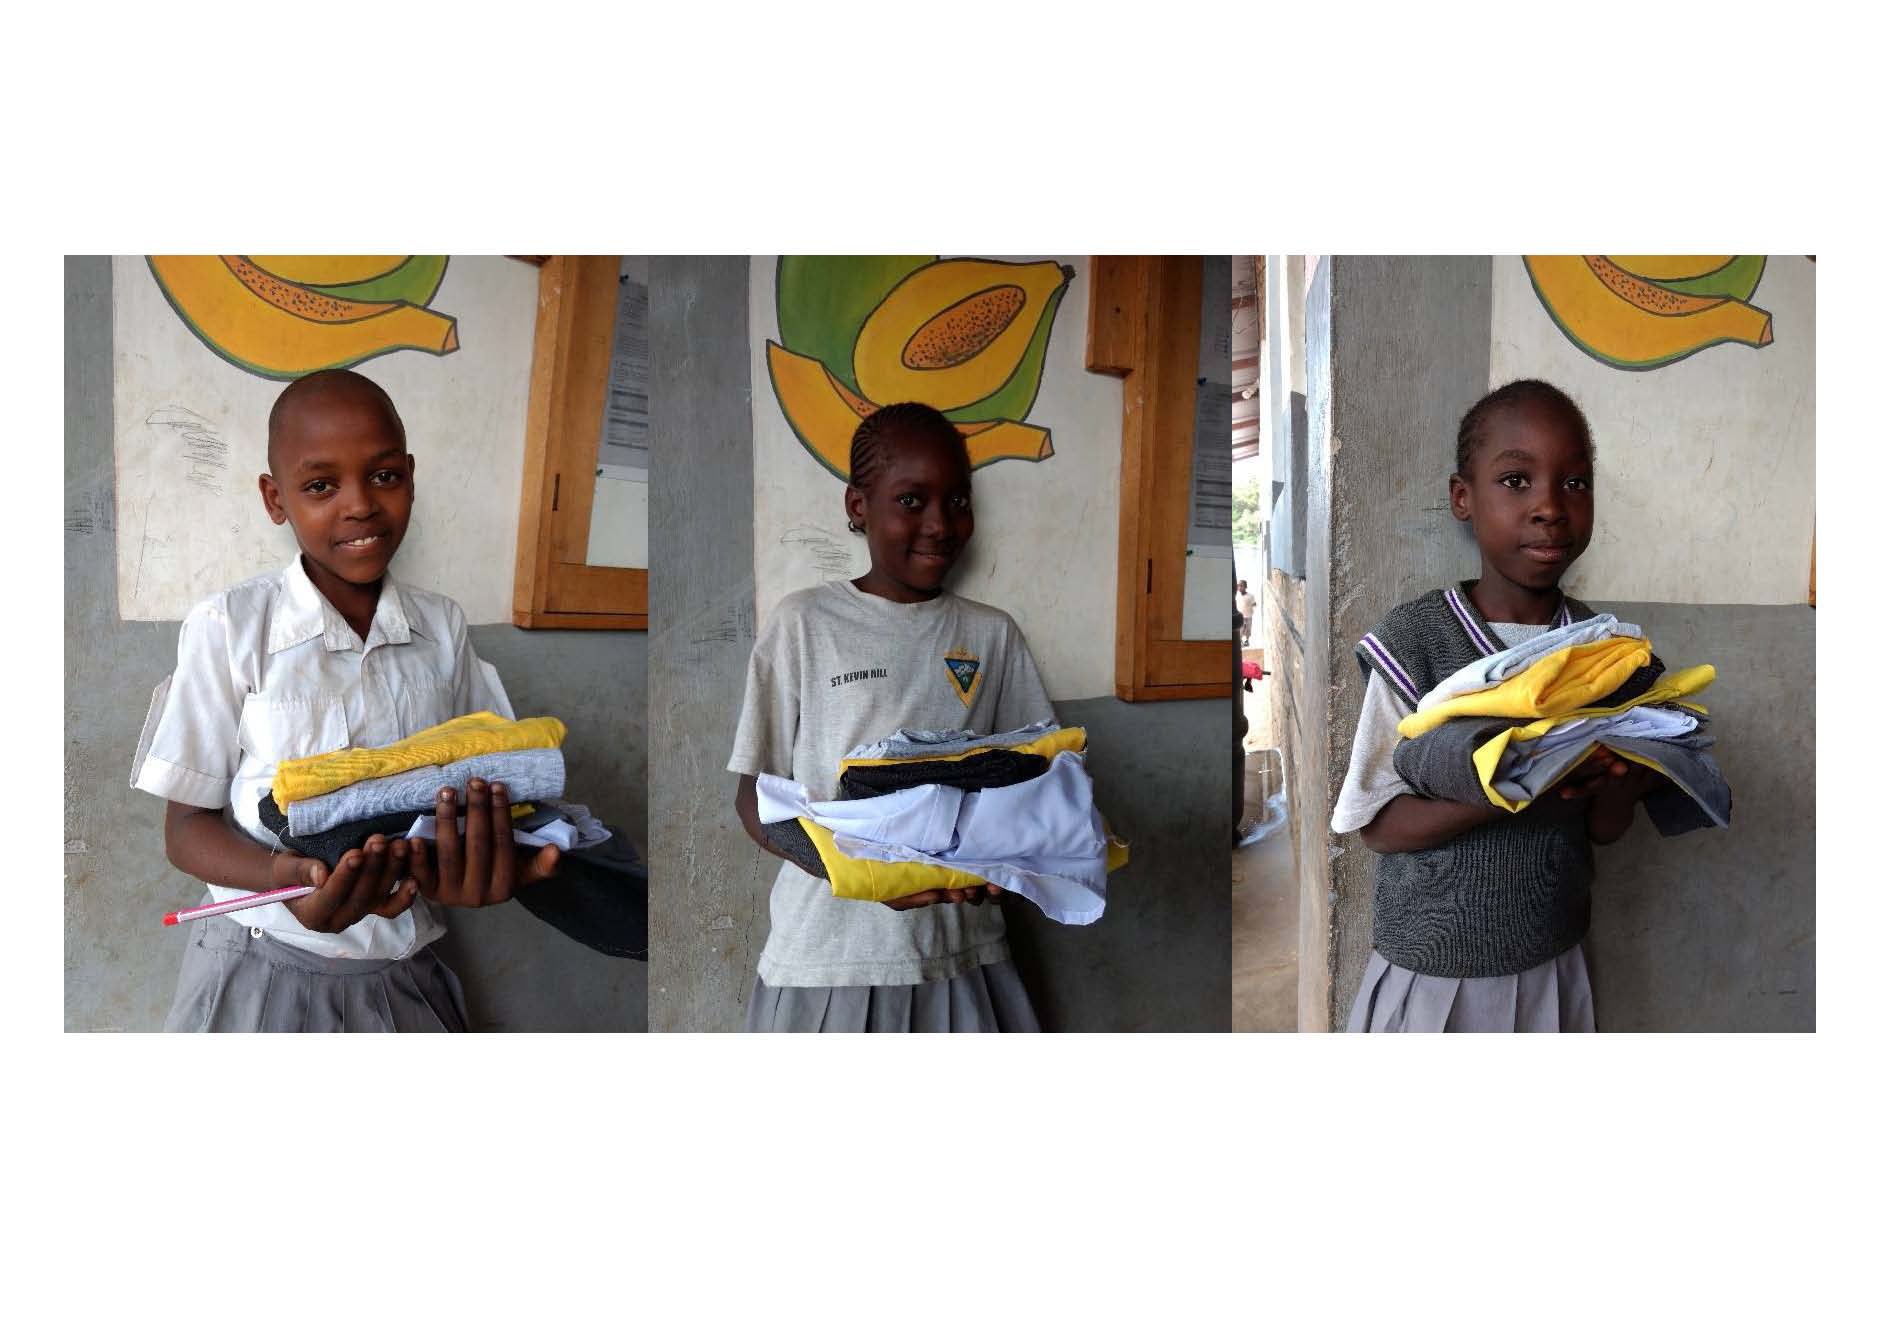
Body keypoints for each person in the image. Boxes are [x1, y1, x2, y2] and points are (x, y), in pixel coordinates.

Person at [132, 370, 559, 1032]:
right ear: (275, 498)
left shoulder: (441, 628)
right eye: (320, 486)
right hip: (258, 970)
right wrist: (287, 876)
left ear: (409, 477)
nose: (360, 505)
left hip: (402, 972)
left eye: (383, 476)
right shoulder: (231, 628)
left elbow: (484, 783)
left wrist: (470, 861)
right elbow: (186, 827)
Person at [1330, 379, 1656, 1032]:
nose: (1549, 508)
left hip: (1550, 958)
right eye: (1515, 481)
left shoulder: (1603, 652)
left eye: (1574, 483)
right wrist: (1513, 787)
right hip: (1432, 969)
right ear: (1463, 497)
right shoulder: (1416, 641)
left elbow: (1603, 828)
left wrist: (1632, 772)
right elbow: (1377, 825)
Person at [730, 402, 1056, 1031]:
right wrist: (862, 874)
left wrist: (1010, 856)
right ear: (859, 506)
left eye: (957, 501)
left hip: (960, 951)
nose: (940, 524)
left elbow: (1036, 779)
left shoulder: (991, 635)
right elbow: (754, 796)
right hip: (829, 959)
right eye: (911, 501)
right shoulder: (804, 624)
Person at [1236, 579, 1256, 645]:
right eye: (1238, 586)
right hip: (1240, 616)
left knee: (1248, 629)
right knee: (1240, 629)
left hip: (1248, 616)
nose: (1240, 587)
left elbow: (1254, 604)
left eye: (1241, 586)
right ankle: (1240, 641)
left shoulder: (1250, 596)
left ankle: (1247, 641)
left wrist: (1251, 607)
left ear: (1245, 587)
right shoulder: (1237, 596)